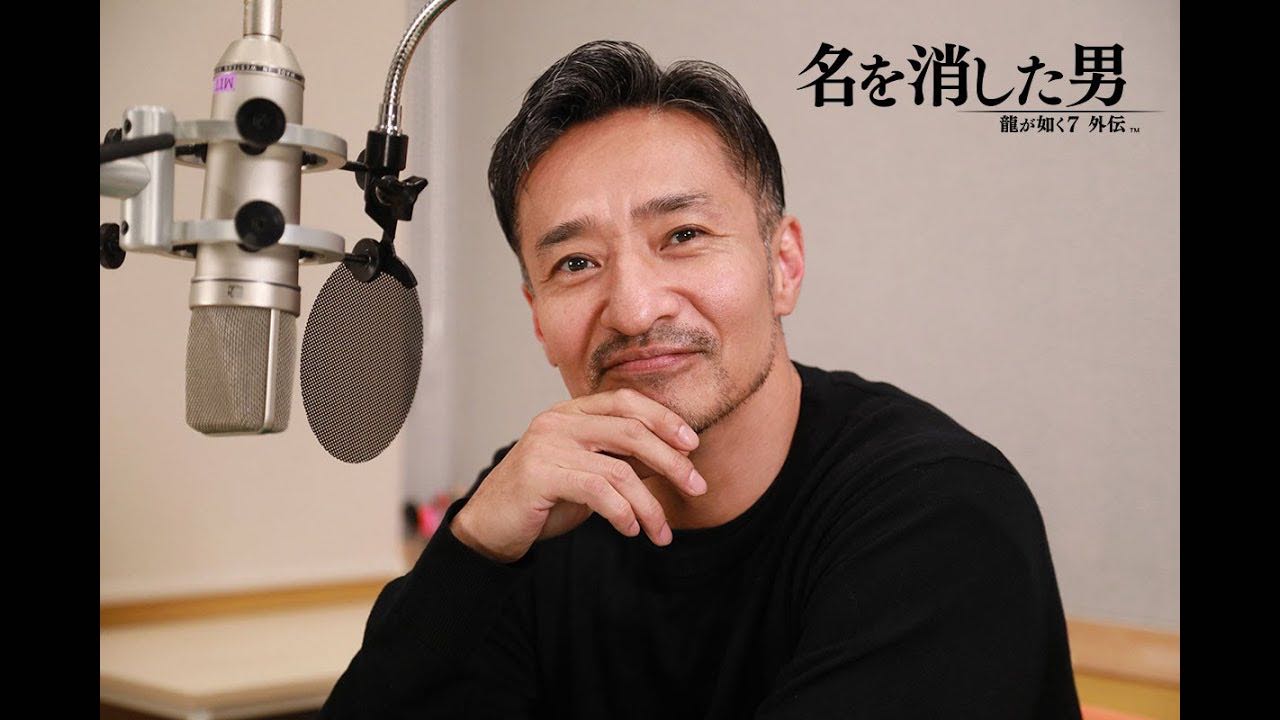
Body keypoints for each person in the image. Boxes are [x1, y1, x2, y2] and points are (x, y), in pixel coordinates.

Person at [320, 40, 1082, 719]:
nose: (634, 307)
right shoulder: (541, 507)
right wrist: (474, 547)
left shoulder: (939, 511)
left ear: (783, 266)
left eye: (683, 235)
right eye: (576, 263)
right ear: (538, 318)